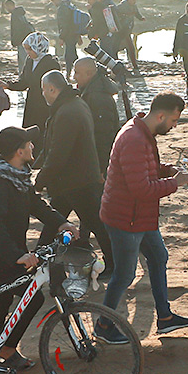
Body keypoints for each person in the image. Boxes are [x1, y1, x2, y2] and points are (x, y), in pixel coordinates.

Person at [0, 126, 78, 367]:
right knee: (33, 299)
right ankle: (7, 350)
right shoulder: (0, 181)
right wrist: (18, 255)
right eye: (29, 143)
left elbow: (36, 204)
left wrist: (62, 223)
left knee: (2, 297)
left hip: (7, 248)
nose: (33, 146)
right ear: (19, 151)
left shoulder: (17, 173)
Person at [98, 92, 188, 341]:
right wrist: (174, 183)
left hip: (138, 216)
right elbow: (142, 189)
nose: (175, 126)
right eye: (174, 120)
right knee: (124, 275)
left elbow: (146, 169)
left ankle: (165, 318)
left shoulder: (142, 131)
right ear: (161, 115)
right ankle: (104, 326)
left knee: (158, 256)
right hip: (126, 219)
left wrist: (169, 170)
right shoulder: (135, 138)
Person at [36, 70, 112, 265]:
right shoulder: (75, 104)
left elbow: (58, 153)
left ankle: (114, 264)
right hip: (74, 179)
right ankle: (38, 259)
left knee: (98, 225)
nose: (43, 94)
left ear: (52, 89)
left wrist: (40, 180)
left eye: (44, 90)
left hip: (76, 181)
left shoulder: (67, 111)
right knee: (53, 221)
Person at [7, 31, 59, 132]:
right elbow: (24, 82)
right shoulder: (30, 61)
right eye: (26, 49)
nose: (27, 52)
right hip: (31, 103)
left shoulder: (51, 63)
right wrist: (8, 85)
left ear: (38, 47)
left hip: (44, 105)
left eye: (30, 49)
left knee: (42, 132)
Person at [116, 0, 145, 73]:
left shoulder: (134, 6)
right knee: (129, 48)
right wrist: (126, 14)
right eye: (133, 0)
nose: (134, 1)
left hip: (128, 30)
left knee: (129, 49)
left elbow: (136, 13)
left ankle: (133, 65)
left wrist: (141, 18)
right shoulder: (122, 6)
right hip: (122, 30)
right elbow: (117, 14)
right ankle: (132, 66)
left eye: (135, 0)